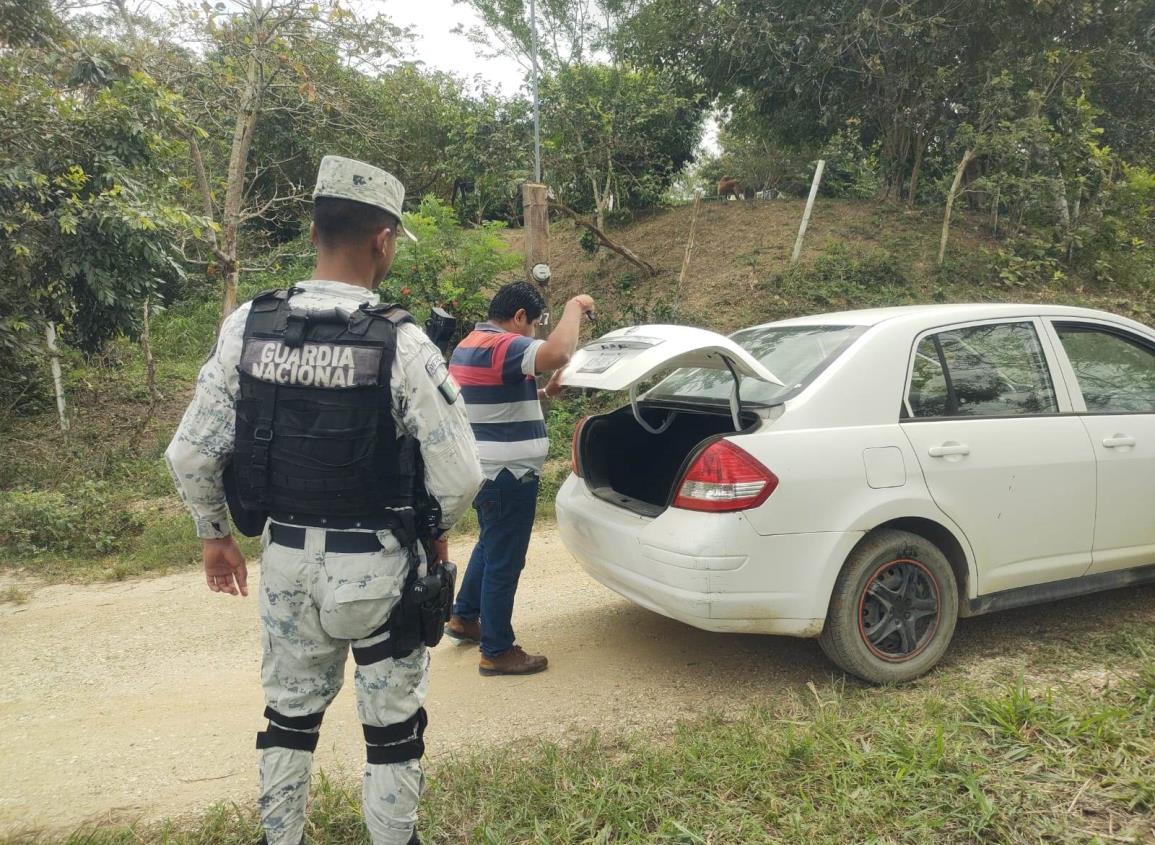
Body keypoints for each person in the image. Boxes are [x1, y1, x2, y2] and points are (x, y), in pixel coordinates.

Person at [165, 155, 483, 845]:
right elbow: (460, 475)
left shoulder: (250, 323)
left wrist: (215, 534)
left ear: (314, 231)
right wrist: (432, 532)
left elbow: (190, 450)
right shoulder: (402, 341)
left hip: (283, 560)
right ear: (383, 240)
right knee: (393, 730)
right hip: (377, 566)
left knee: (287, 719)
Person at [444, 281, 595, 675]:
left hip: (484, 470)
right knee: (505, 561)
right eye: (535, 323)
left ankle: (464, 618)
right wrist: (575, 306)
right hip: (509, 474)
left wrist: (544, 392)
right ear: (519, 317)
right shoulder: (505, 345)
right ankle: (497, 650)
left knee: (490, 545)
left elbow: (492, 397)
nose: (535, 332)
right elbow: (559, 351)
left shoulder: (470, 344)